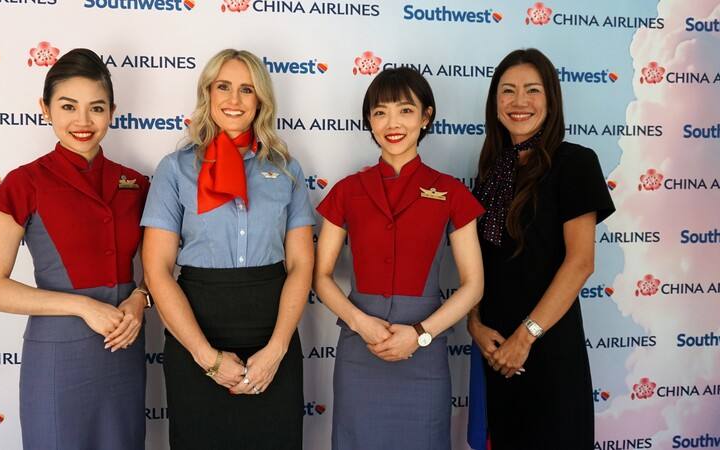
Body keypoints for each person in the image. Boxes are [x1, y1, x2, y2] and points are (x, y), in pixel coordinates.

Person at [0, 48, 149, 450]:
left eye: (96, 108)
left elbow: (162, 268)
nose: (83, 122)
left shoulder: (136, 183)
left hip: (124, 346)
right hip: (56, 357)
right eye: (68, 106)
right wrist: (82, 306)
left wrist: (140, 300)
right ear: (45, 108)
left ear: (112, 111)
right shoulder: (24, 183)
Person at [141, 49, 314, 450]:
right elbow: (157, 269)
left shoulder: (287, 168)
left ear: (261, 101)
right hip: (196, 333)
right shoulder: (175, 168)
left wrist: (276, 350)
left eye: (246, 89)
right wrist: (209, 359)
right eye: (224, 87)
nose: (234, 100)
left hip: (273, 333)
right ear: (207, 93)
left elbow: (302, 264)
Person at [313, 67, 485, 450]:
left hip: (425, 356)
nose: (392, 123)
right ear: (369, 121)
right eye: (380, 112)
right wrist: (360, 322)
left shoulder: (451, 192)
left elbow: (474, 285)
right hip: (360, 351)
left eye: (405, 110)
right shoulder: (347, 191)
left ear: (426, 116)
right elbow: (320, 275)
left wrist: (421, 334)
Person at [467, 48, 615, 450]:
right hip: (496, 355)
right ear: (494, 101)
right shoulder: (491, 170)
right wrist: (475, 323)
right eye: (507, 91)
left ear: (550, 99)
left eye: (532, 90)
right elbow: (483, 263)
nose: (519, 102)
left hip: (548, 351)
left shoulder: (576, 162)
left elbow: (581, 262)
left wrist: (525, 337)